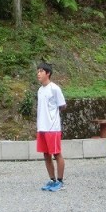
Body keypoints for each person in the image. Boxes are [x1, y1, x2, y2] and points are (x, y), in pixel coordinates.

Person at [36, 63, 66, 191]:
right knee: (46, 154)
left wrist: (53, 115)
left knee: (56, 154)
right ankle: (51, 179)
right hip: (41, 127)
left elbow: (62, 105)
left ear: (47, 73)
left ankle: (60, 180)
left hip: (52, 128)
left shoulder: (55, 88)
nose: (38, 73)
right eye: (37, 71)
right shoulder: (40, 90)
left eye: (41, 71)